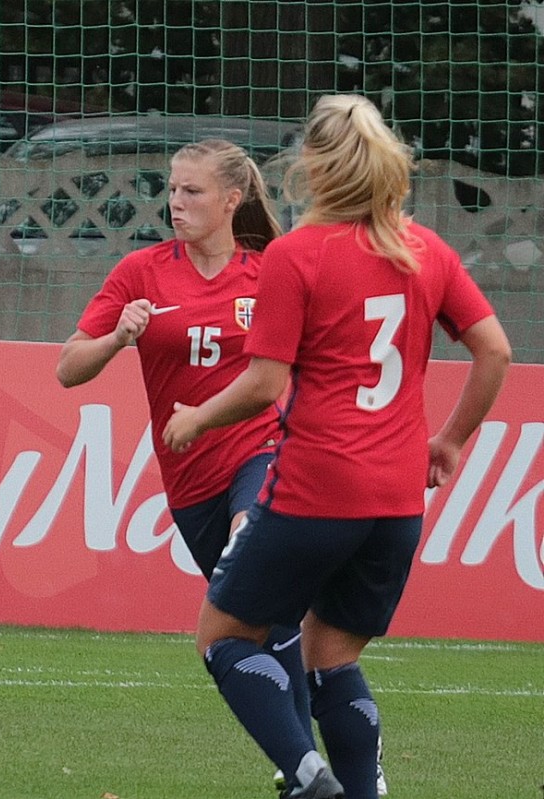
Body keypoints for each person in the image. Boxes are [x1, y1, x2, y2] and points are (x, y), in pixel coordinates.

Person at [163, 94, 511, 799]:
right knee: (332, 654)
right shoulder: (425, 249)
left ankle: (305, 774)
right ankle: (357, 791)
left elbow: (264, 384)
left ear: (315, 166)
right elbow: (494, 350)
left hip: (316, 489)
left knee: (224, 635)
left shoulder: (297, 256)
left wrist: (197, 417)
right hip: (395, 500)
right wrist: (448, 440)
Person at [56, 138, 328, 790]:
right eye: (172, 189)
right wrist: (120, 336)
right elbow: (69, 367)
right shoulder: (142, 272)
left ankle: (307, 768)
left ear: (232, 199)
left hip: (264, 455)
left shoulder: (269, 272)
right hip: (190, 484)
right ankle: (304, 769)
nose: (176, 202)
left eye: (192, 191)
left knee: (252, 548)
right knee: (264, 629)